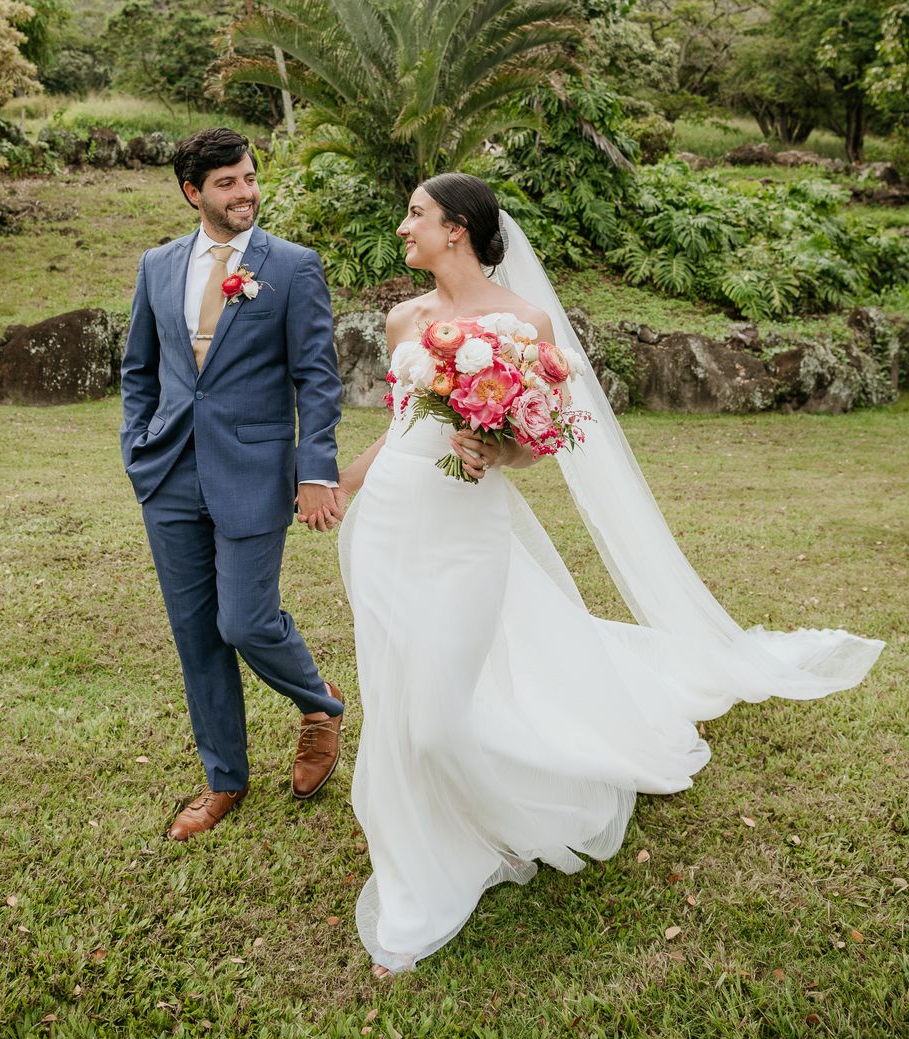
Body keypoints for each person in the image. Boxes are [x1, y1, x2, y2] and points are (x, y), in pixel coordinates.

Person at [323, 173, 883, 977]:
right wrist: (343, 483)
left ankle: (505, 826)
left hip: (467, 531)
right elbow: (402, 422)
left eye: (416, 213)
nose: (402, 225)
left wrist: (496, 447)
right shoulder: (404, 317)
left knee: (437, 719)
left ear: (458, 230)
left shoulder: (523, 323)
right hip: (389, 527)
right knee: (397, 695)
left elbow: (542, 439)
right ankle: (421, 854)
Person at [120, 128, 346, 841]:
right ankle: (225, 778)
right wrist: (138, 451)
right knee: (197, 637)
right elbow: (140, 370)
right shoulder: (158, 264)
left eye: (248, 178)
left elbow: (318, 376)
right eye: (227, 183)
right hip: (169, 472)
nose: (245, 192)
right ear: (194, 192)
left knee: (245, 620)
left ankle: (321, 704)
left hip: (253, 468)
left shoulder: (293, 266)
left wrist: (315, 471)